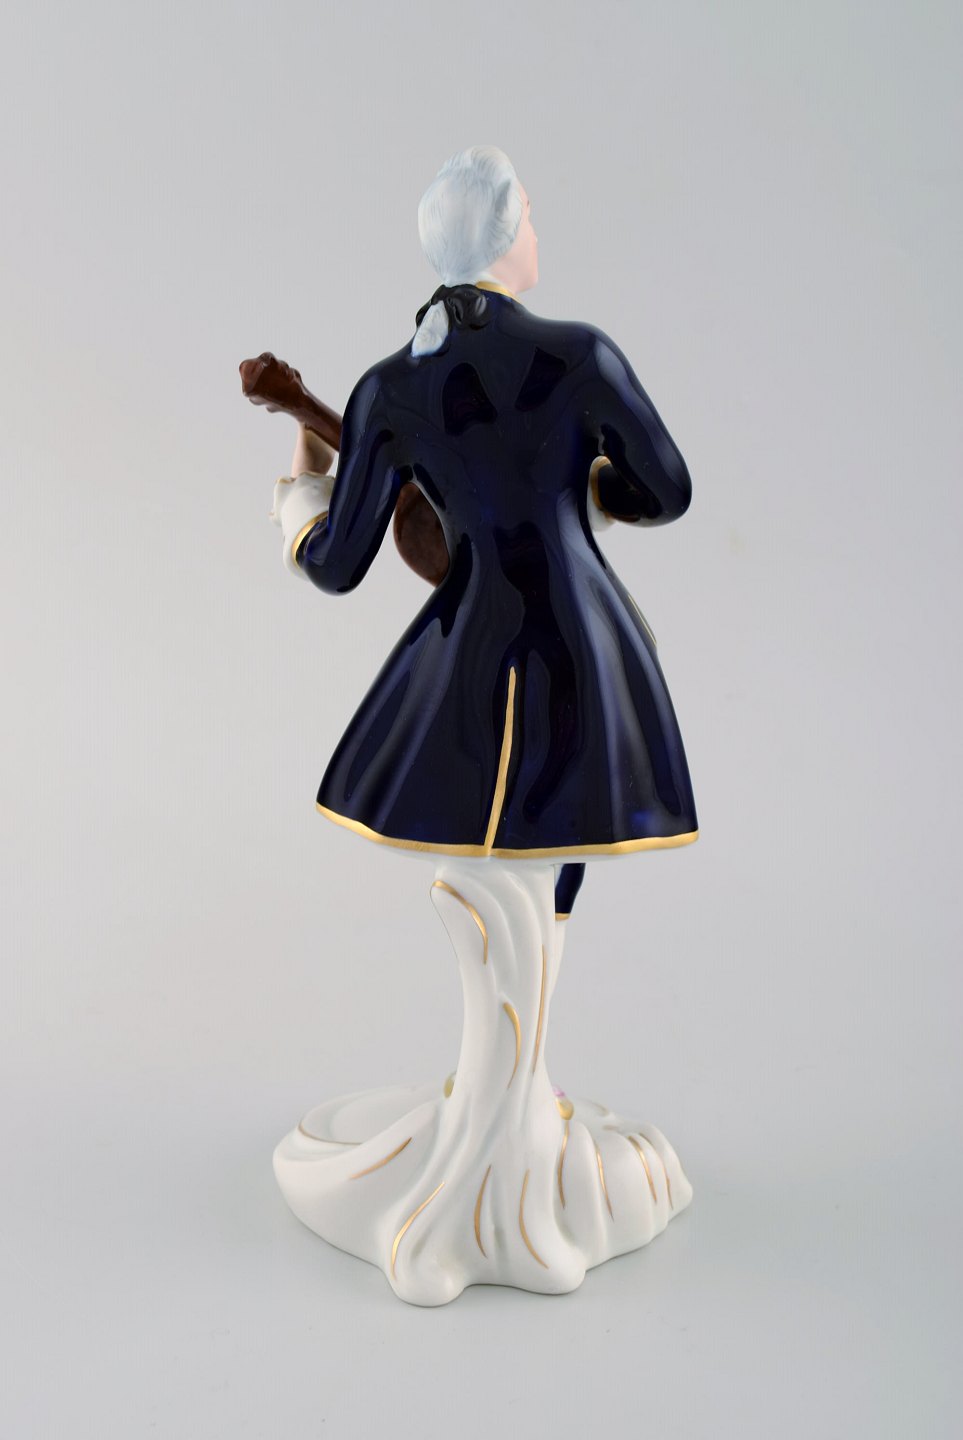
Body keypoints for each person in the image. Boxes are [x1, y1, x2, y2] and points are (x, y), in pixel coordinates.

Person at [268, 147, 697, 1302]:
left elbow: (336, 564)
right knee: (539, 875)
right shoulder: (582, 354)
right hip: (585, 645)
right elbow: (667, 489)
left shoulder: (389, 387)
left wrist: (298, 482)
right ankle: (505, 1145)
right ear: (507, 241)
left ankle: (506, 1136)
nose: (538, 234)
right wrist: (587, 490)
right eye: (532, 219)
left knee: (492, 872)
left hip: (473, 652)